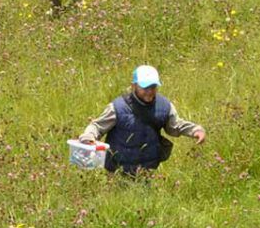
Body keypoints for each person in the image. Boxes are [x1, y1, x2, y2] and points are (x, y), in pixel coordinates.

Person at [78, 65, 206, 175]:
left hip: (147, 171)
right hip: (116, 172)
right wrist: (89, 136)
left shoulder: (164, 106)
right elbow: (97, 126)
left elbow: (175, 126)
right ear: (134, 86)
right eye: (145, 88)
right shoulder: (117, 107)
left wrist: (195, 130)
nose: (150, 92)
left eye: (153, 87)